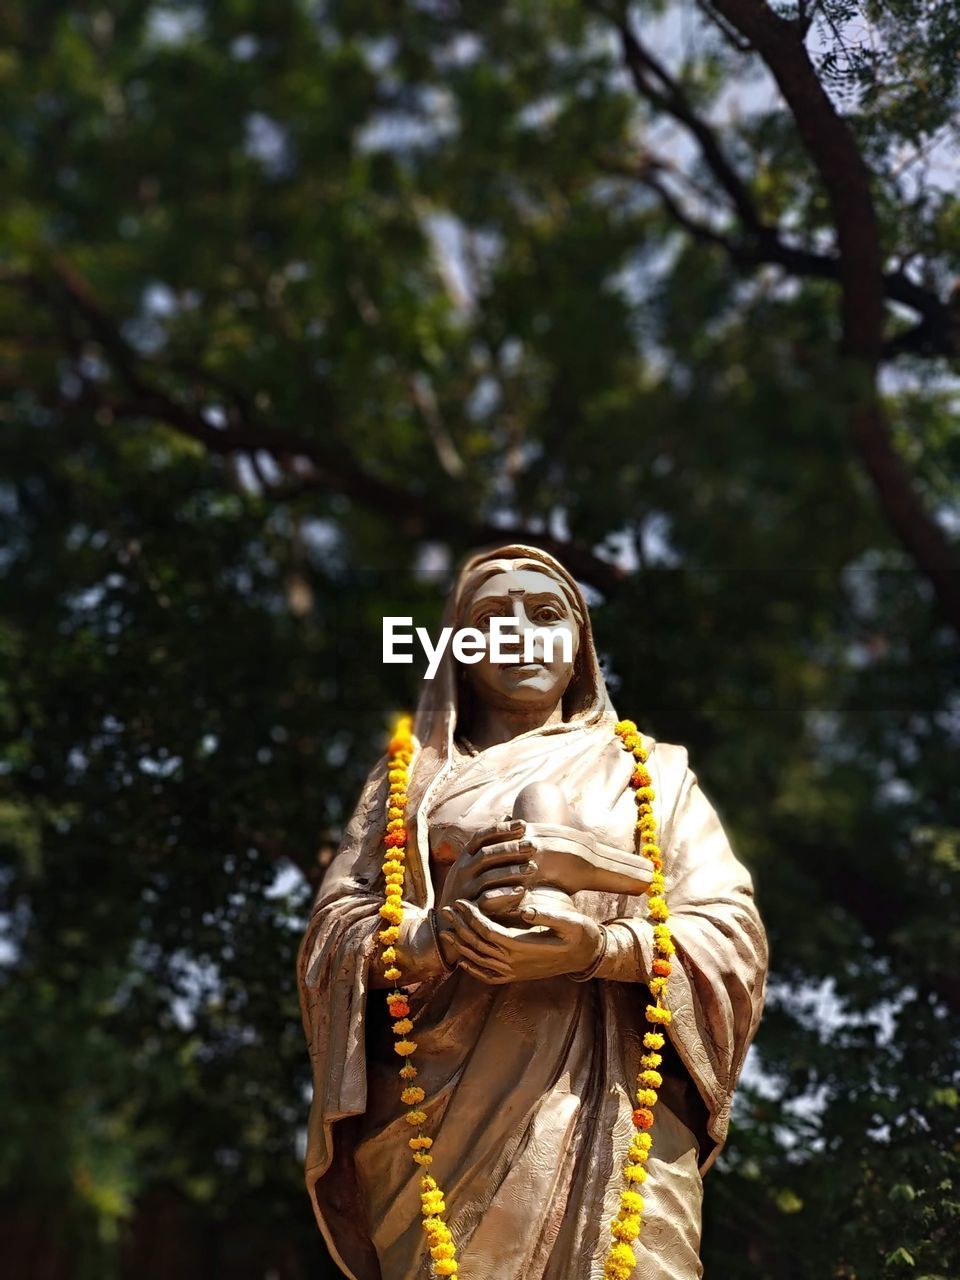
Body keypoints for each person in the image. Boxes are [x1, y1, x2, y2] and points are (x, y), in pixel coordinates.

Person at [297, 544, 768, 1280]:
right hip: (440, 1126)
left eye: (547, 613)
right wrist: (430, 936)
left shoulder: (654, 775)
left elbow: (732, 934)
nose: (521, 632)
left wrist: (604, 949)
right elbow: (331, 939)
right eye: (492, 617)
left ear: (580, 643)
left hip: (616, 1122)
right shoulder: (408, 783)